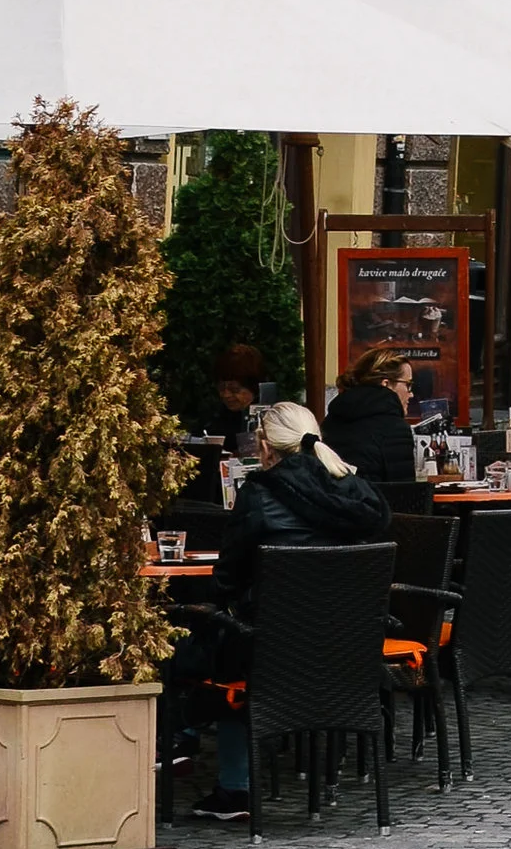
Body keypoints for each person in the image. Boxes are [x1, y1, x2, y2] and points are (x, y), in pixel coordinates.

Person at [170, 404, 394, 824]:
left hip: (268, 651)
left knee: (194, 647)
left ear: (264, 446)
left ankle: (216, 772)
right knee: (234, 642)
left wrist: (206, 612)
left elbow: (226, 580)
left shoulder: (258, 496)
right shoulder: (358, 494)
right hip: (350, 649)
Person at [322, 344, 419, 482]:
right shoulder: (394, 427)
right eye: (408, 385)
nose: (411, 394)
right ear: (386, 384)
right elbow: (402, 492)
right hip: (373, 502)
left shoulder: (332, 420)